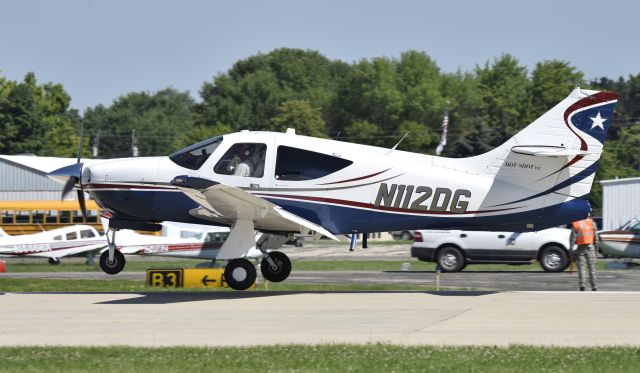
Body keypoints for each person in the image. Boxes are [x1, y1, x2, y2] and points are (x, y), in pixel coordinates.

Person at [571, 213, 598, 291]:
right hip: (590, 248)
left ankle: (582, 286)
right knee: (592, 268)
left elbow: (572, 237)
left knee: (582, 268)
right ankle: (594, 287)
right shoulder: (592, 223)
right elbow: (596, 237)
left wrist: (571, 248)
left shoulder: (576, 223)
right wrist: (596, 249)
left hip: (580, 248)